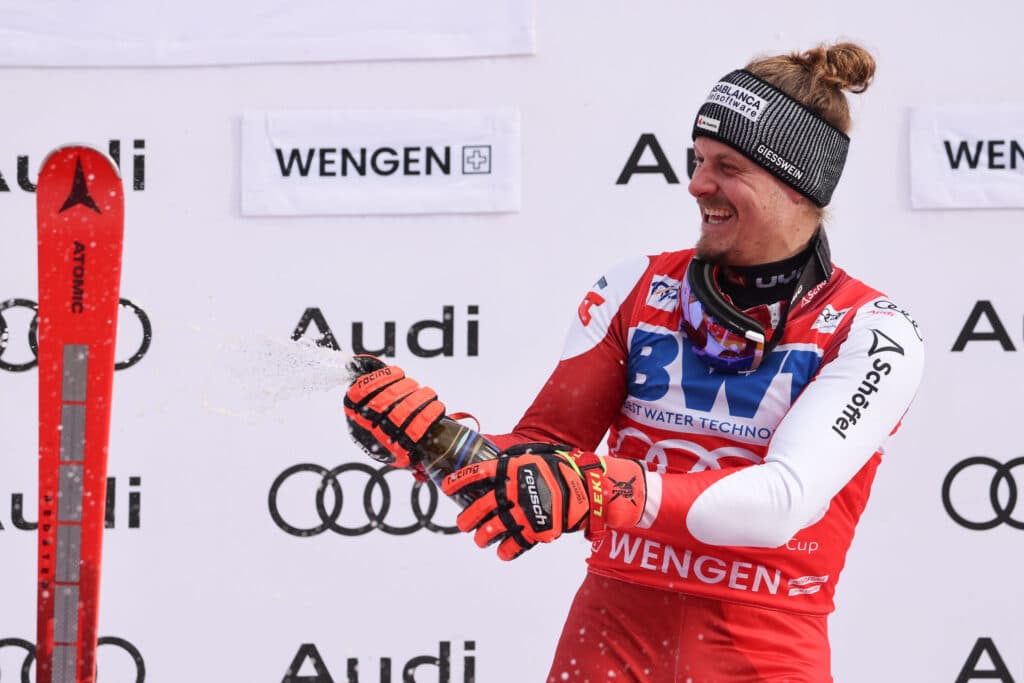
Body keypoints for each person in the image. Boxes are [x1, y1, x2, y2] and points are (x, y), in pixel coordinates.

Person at [344, 41, 924, 683]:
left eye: (726, 166)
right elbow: (544, 451)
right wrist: (432, 441)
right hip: (607, 644)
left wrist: (599, 487)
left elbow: (783, 499)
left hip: (761, 654)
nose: (697, 184)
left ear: (795, 184)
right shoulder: (636, 287)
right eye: (698, 160)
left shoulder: (874, 331)